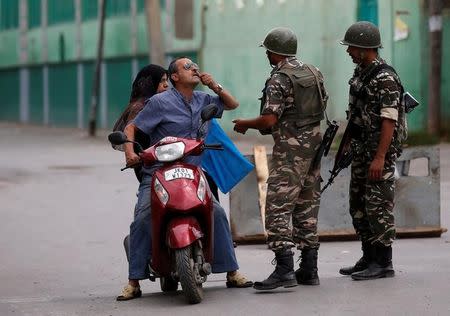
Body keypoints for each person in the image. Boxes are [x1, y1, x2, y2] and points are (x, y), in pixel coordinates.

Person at [116, 57, 252, 301]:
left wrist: (215, 86)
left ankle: (232, 272)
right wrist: (130, 153)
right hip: (159, 171)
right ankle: (133, 281)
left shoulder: (203, 99)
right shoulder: (159, 102)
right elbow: (131, 128)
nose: (194, 69)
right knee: (143, 217)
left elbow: (232, 104)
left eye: (195, 66)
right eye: (187, 67)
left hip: (192, 172)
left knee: (217, 213)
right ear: (175, 77)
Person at [233, 27, 326, 290]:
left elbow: (270, 119)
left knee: (276, 205)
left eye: (267, 51)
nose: (267, 55)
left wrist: (246, 124)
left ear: (274, 52)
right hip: (314, 145)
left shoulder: (279, 79)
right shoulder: (313, 71)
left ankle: (285, 268)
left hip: (291, 150)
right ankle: (309, 269)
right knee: (306, 204)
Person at [338, 21, 405, 280]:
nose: (348, 52)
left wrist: (380, 157)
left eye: (351, 47)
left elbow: (390, 119)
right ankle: (368, 256)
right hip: (362, 151)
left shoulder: (385, 78)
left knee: (378, 206)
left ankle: (383, 263)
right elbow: (356, 115)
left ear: (365, 48)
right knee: (359, 205)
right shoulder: (361, 73)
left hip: (379, 155)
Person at [112, 64, 169, 182]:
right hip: (149, 166)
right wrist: (130, 154)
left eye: (167, 80)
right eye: (161, 80)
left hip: (166, 160)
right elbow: (130, 129)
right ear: (150, 82)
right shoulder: (140, 107)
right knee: (147, 198)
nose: (166, 85)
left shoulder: (161, 104)